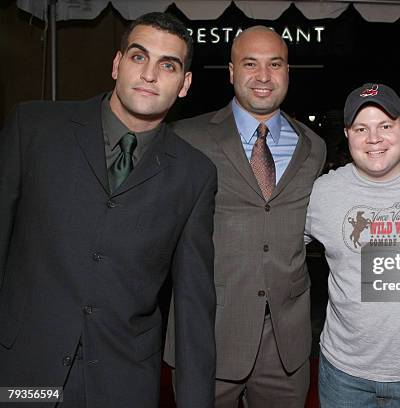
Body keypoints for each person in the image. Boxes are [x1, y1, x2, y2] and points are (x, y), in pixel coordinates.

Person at [0, 12, 216, 408]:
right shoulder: (32, 129)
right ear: (117, 64)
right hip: (23, 376)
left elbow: (193, 310)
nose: (149, 74)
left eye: (167, 65)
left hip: (122, 384)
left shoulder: (195, 175)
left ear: (184, 84)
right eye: (139, 57)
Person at [163, 26, 326, 407]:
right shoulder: (186, 138)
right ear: (231, 72)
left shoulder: (313, 147)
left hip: (287, 344)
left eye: (275, 64)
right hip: (209, 334)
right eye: (250, 64)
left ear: (288, 72)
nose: (264, 76)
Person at [305, 83, 400, 407]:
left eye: (385, 126)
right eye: (362, 128)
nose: (374, 139)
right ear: (347, 133)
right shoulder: (322, 194)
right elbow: (283, 252)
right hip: (344, 373)